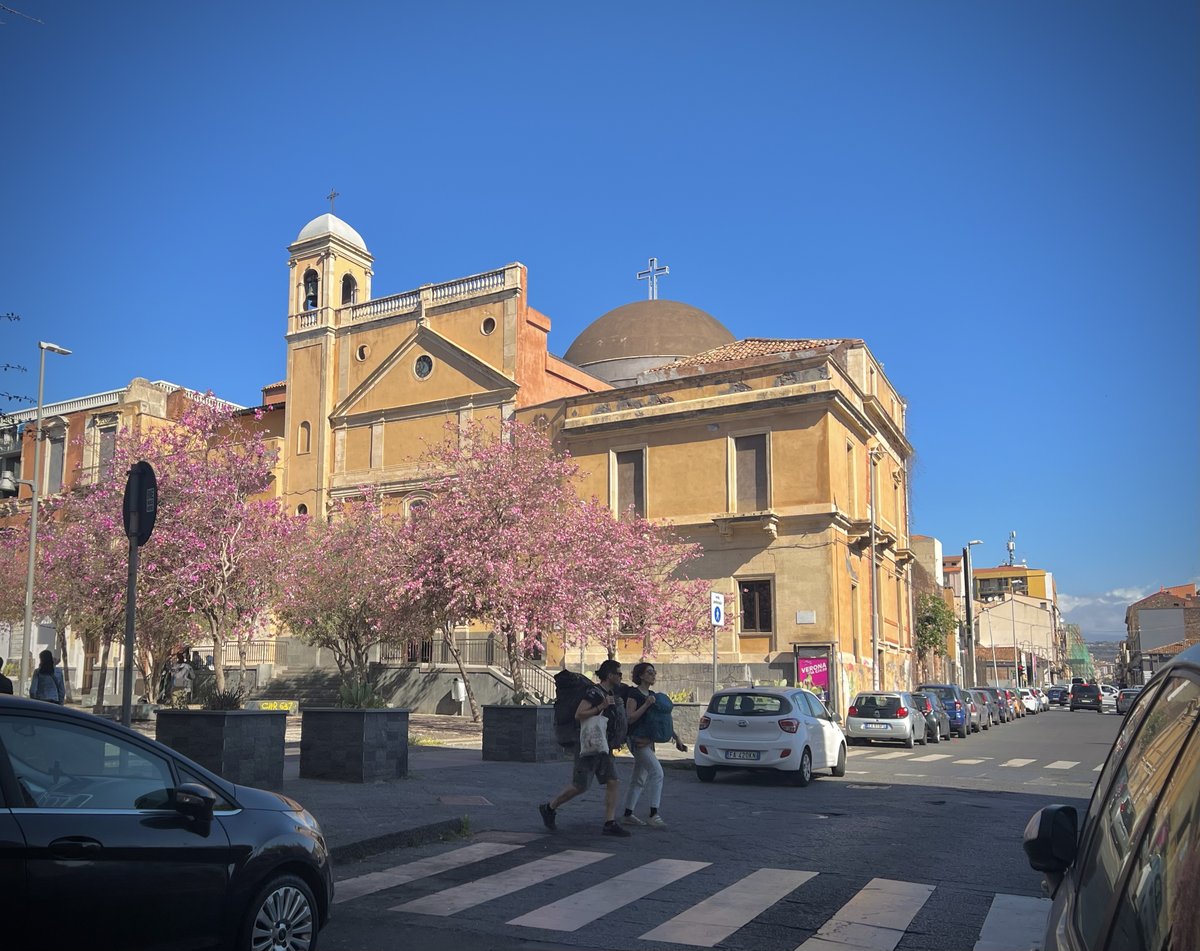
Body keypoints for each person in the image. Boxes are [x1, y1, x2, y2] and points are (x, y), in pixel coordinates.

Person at [539, 659, 631, 837]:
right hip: (589, 745)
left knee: (613, 781)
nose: (621, 677)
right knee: (580, 786)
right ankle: (549, 807)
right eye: (618, 673)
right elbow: (579, 714)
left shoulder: (610, 692)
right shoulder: (594, 693)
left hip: (604, 746)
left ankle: (609, 823)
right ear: (610, 675)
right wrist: (600, 707)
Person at [620, 662, 687, 828]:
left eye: (654, 672)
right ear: (641, 676)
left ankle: (628, 814)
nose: (653, 675)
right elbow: (630, 718)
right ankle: (653, 814)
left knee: (639, 778)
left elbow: (660, 721)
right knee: (657, 773)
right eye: (649, 672)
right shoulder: (634, 695)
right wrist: (646, 704)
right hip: (637, 739)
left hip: (647, 741)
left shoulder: (652, 695)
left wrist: (676, 738)